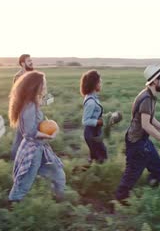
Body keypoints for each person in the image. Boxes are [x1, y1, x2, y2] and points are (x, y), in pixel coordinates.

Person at [115, 65, 160, 201]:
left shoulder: (150, 95)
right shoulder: (147, 99)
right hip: (136, 142)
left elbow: (150, 118)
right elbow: (146, 125)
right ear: (154, 82)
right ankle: (118, 202)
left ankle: (153, 194)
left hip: (142, 140)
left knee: (157, 167)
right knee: (132, 174)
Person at [8, 71, 66, 202]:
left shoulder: (33, 103)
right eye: (43, 84)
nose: (45, 86)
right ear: (36, 86)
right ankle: (13, 206)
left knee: (58, 173)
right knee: (23, 183)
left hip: (40, 148)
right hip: (32, 150)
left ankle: (61, 202)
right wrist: (47, 135)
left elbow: (45, 103)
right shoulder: (29, 106)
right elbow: (29, 132)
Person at [10, 54, 54, 160]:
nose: (31, 62)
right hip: (25, 108)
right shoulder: (18, 77)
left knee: (28, 133)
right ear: (22, 63)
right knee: (23, 134)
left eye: (31, 60)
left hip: (35, 106)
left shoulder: (36, 75)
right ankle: (16, 159)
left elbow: (44, 92)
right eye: (28, 61)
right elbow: (17, 94)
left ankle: (31, 157)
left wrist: (45, 100)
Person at [80, 70, 108, 163]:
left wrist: (105, 117)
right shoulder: (91, 102)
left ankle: (91, 172)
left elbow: (95, 114)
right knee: (100, 157)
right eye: (99, 82)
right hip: (91, 133)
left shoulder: (93, 97)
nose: (101, 84)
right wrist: (99, 122)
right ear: (94, 84)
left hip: (95, 132)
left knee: (98, 156)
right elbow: (85, 120)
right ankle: (90, 173)